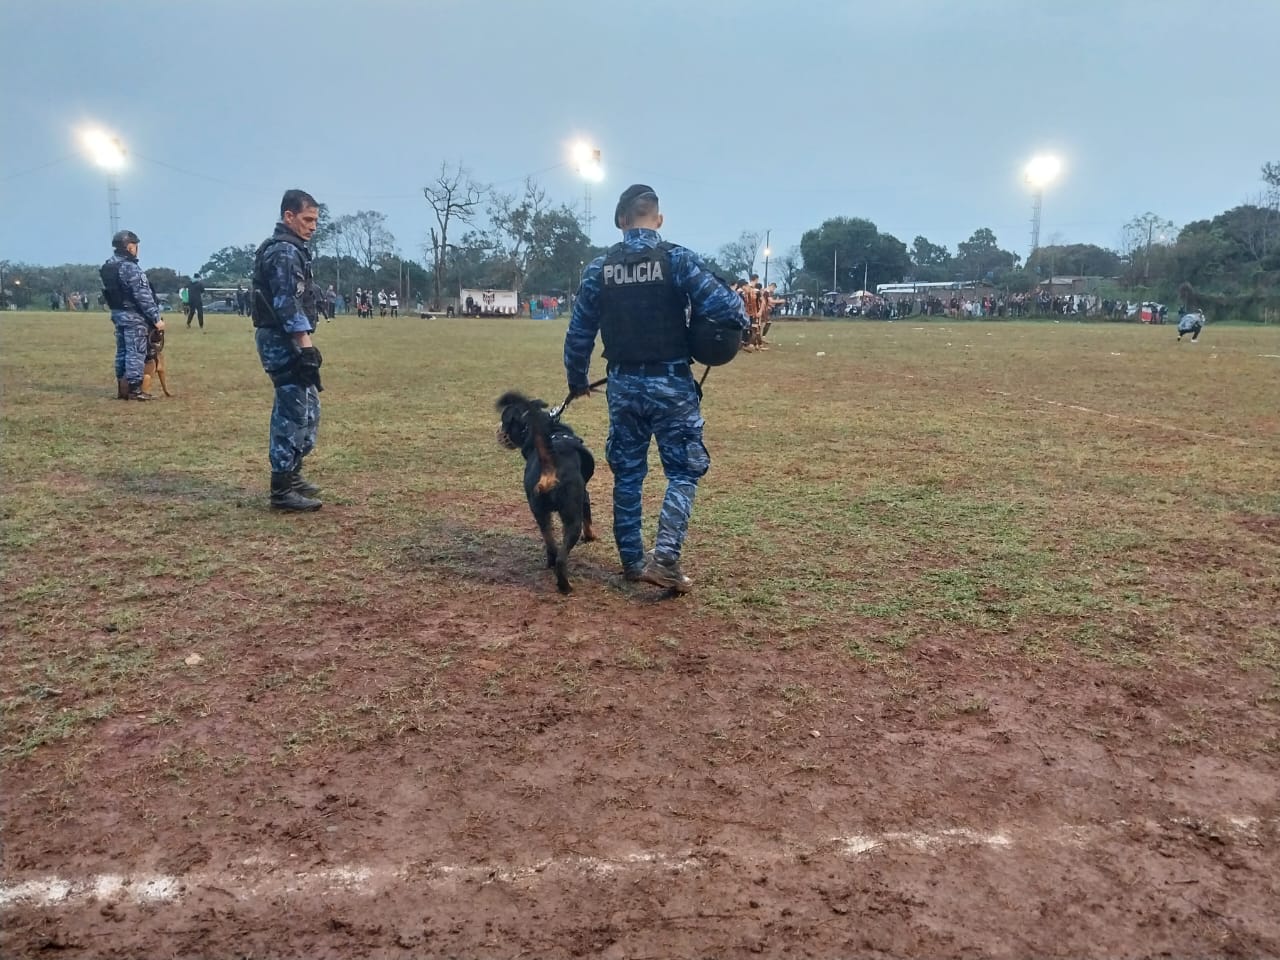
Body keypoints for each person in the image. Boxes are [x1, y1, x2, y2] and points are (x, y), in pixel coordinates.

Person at [564, 183, 748, 593]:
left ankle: (632, 562)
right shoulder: (677, 260)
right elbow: (729, 309)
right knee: (682, 472)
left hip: (623, 385)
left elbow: (579, 333)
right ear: (658, 220)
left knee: (627, 474)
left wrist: (577, 381)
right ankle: (664, 559)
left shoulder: (599, 269)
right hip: (671, 385)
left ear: (621, 222)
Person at [251, 189, 326, 512]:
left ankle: (293, 475)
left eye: (315, 221)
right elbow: (286, 303)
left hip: (292, 339)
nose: (312, 227)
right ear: (288, 217)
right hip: (282, 340)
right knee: (291, 410)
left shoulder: (294, 250)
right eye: (307, 220)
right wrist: (305, 347)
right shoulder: (283, 252)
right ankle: (281, 489)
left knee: (309, 409)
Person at [100, 229, 165, 400]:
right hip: (134, 315)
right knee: (135, 352)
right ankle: (135, 389)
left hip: (118, 313)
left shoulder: (109, 266)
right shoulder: (129, 268)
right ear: (129, 247)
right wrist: (156, 318)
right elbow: (143, 296)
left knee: (122, 352)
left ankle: (122, 387)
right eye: (135, 246)